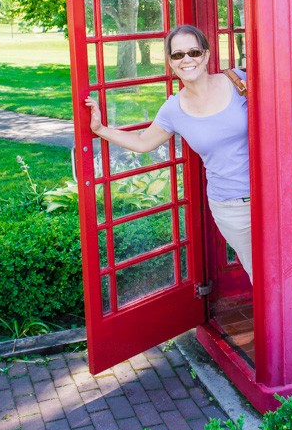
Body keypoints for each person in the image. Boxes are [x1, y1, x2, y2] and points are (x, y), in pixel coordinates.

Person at [84, 24, 252, 280]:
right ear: (171, 62)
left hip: (273, 192)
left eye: (194, 52)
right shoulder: (174, 109)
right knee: (262, 276)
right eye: (178, 55)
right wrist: (100, 129)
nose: (187, 59)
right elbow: (142, 142)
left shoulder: (237, 81)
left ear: (206, 55)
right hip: (231, 206)